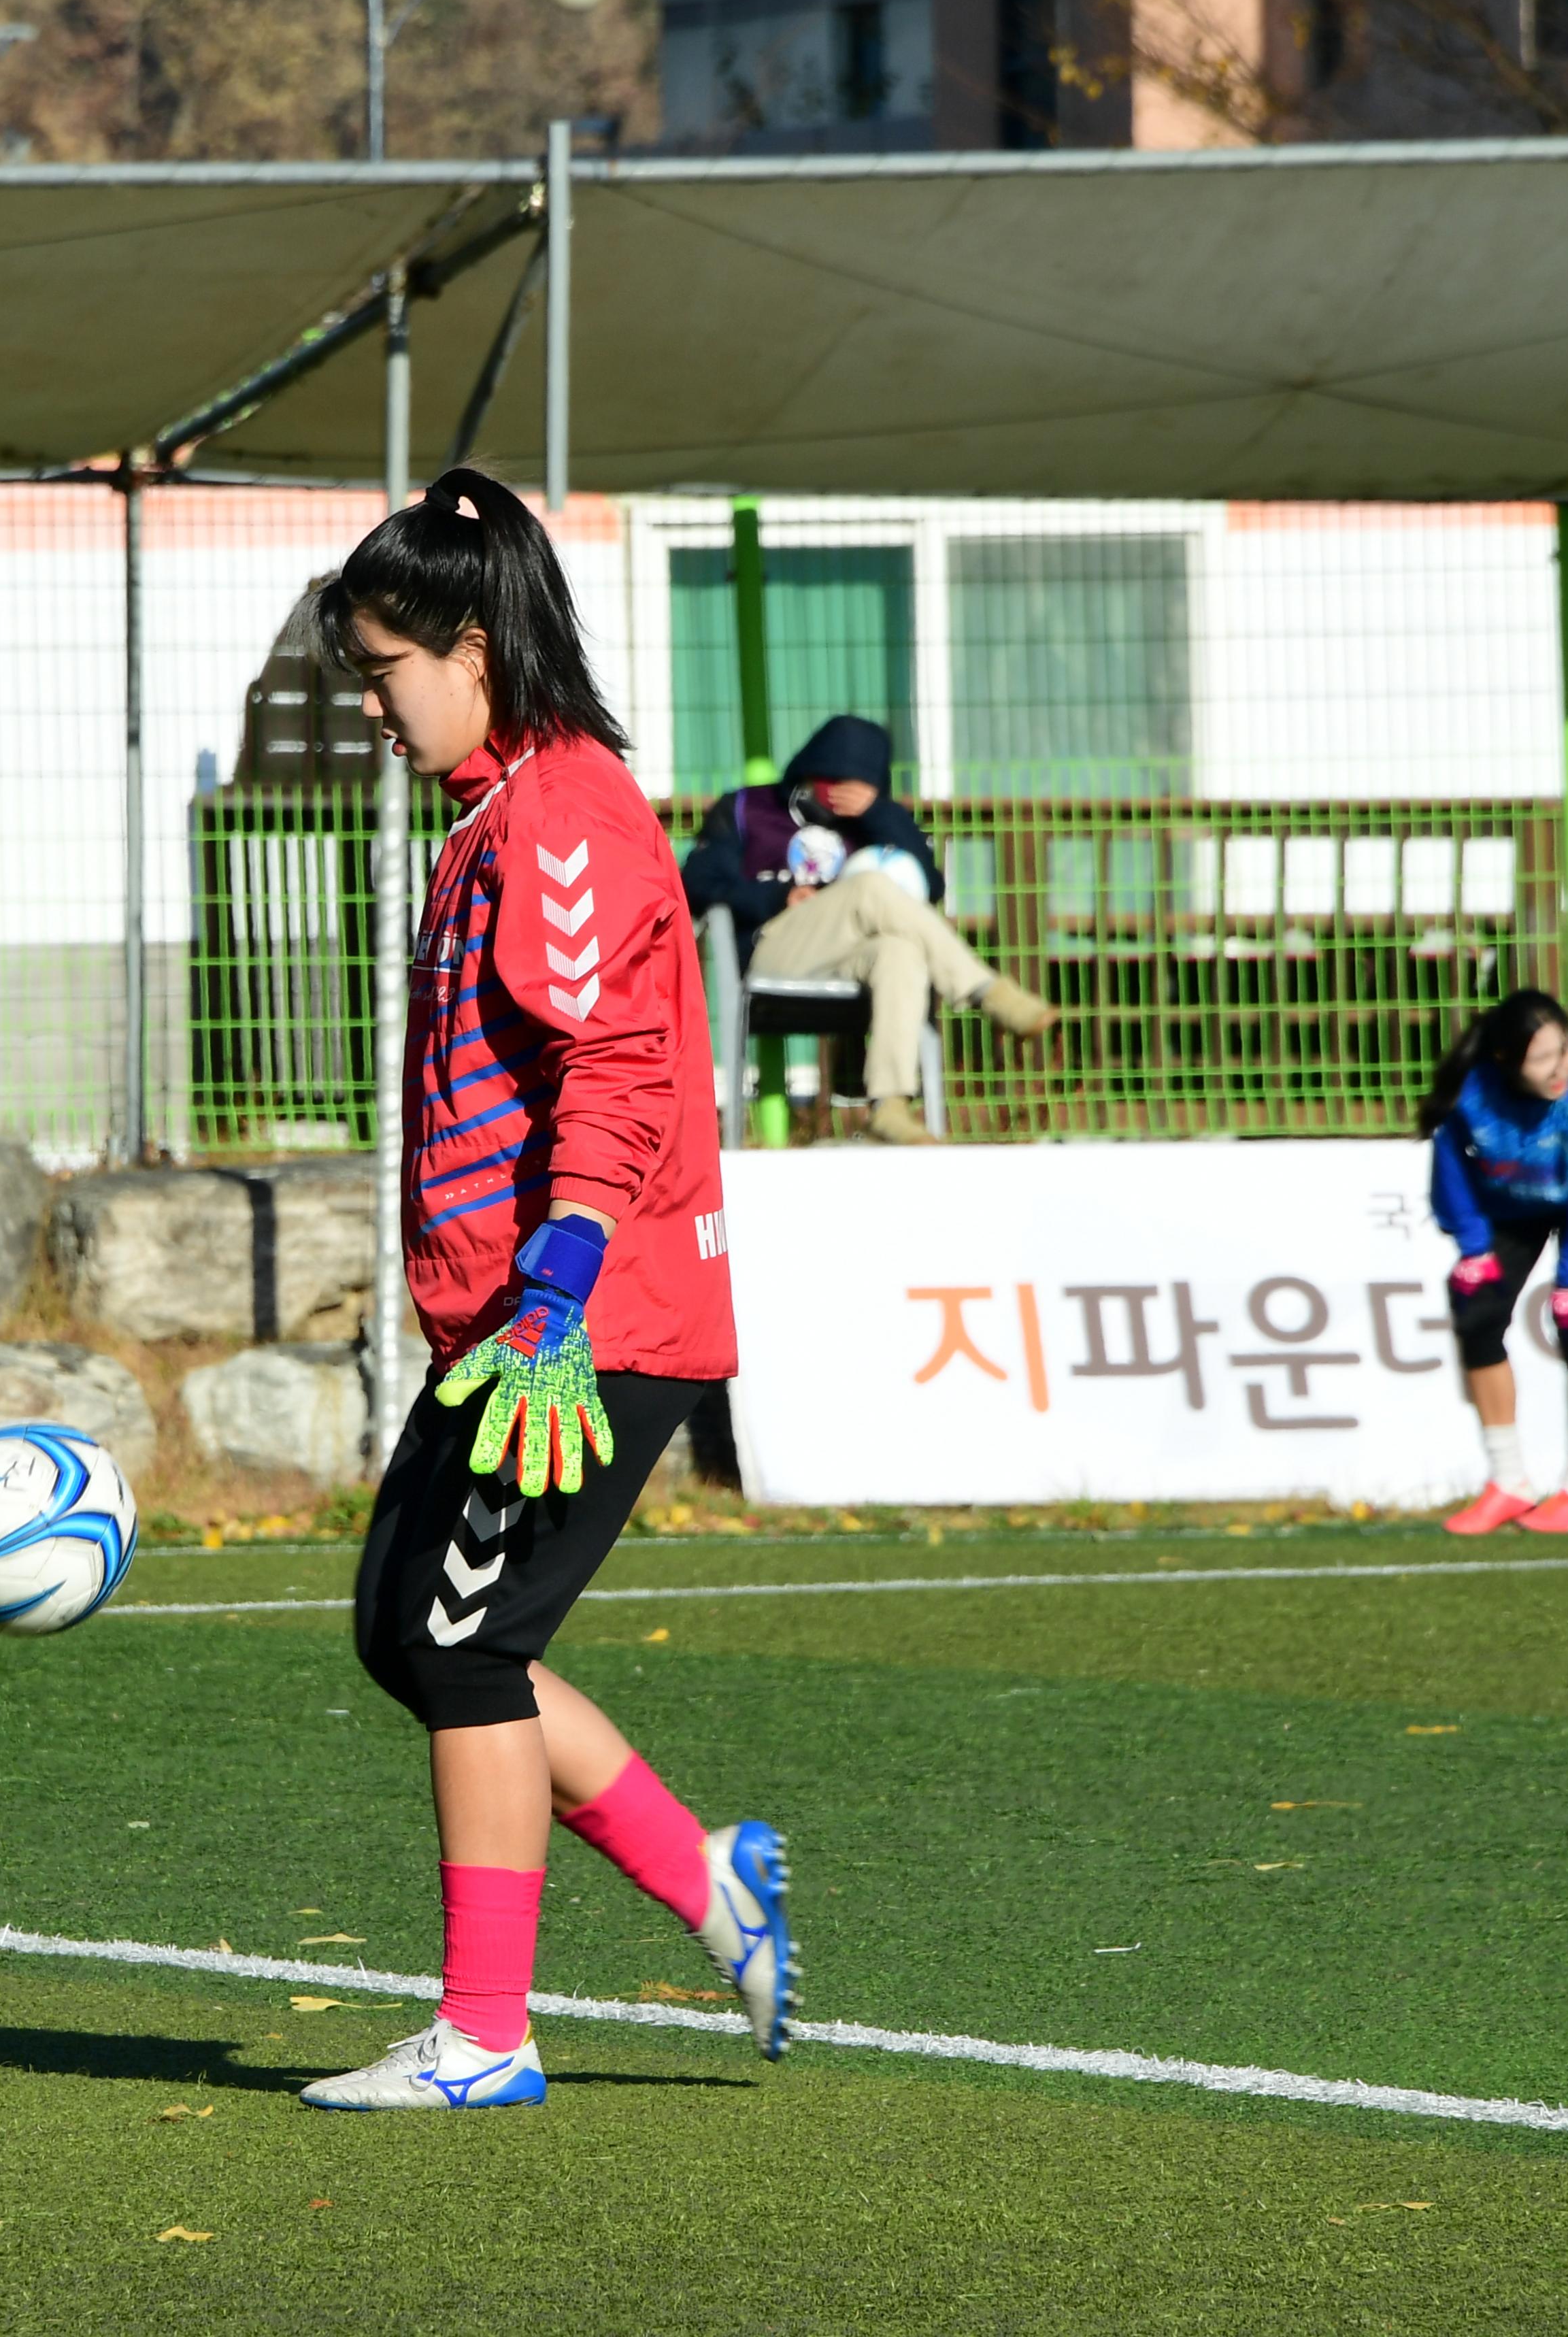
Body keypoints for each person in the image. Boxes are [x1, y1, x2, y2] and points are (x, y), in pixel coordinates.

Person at [297, 467, 793, 2113]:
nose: (370, 705)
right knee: (412, 1631)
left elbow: (620, 1063)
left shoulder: (565, 813)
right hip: (524, 1323)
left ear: (471, 645)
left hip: (585, 1325)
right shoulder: (504, 812)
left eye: (381, 670)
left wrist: (563, 1275)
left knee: (461, 1646)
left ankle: (485, 2033)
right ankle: (699, 1872)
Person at [680, 714, 1052, 1144]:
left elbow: (928, 887)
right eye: (831, 780)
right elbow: (697, 883)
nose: (840, 794)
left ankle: (890, 1106)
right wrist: (776, 898)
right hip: (773, 947)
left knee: (900, 951)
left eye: (858, 786)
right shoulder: (748, 809)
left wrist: (878, 813)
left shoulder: (877, 820)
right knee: (871, 886)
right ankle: (985, 989)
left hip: (850, 959)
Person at [1420, 989, 1568, 1536]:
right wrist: (1473, 1247)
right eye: (1541, 1059)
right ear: (1505, 1062)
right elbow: (1450, 1173)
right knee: (1476, 1315)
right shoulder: (1471, 1094)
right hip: (1511, 1205)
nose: (1560, 1067)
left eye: (1563, 1050)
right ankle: (1509, 1482)